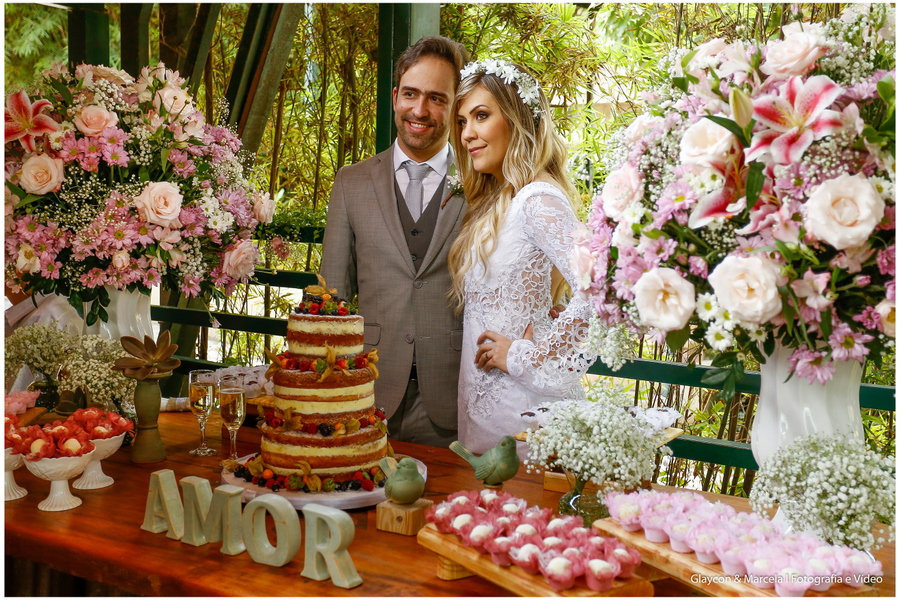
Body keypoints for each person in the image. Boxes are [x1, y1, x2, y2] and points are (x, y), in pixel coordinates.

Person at [319, 36, 470, 448]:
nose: (420, 111)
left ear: (457, 106)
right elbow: (332, 294)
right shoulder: (351, 182)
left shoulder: (482, 182)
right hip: (367, 395)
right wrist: (330, 391)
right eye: (410, 94)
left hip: (453, 399)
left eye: (437, 98)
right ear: (394, 96)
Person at [448, 59, 596, 458]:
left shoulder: (538, 200)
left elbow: (600, 290)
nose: (467, 134)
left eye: (481, 116)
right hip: (485, 411)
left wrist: (524, 354)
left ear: (517, 119)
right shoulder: (503, 199)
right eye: (462, 121)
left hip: (522, 412)